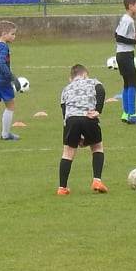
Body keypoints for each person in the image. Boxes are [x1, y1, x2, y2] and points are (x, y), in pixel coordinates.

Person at [56, 64, 108, 196]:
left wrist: (71, 130)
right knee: (97, 147)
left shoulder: (66, 89)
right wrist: (98, 110)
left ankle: (62, 188)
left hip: (71, 119)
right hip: (88, 116)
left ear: (71, 78)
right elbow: (101, 90)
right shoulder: (92, 81)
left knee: (67, 153)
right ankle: (97, 180)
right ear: (85, 74)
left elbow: (64, 110)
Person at [113, 0, 136, 125]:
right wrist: (135, 41)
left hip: (122, 55)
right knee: (133, 83)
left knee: (127, 83)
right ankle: (132, 114)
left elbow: (117, 33)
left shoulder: (125, 19)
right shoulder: (128, 20)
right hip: (125, 55)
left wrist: (133, 36)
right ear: (130, 6)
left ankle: (126, 113)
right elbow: (118, 38)